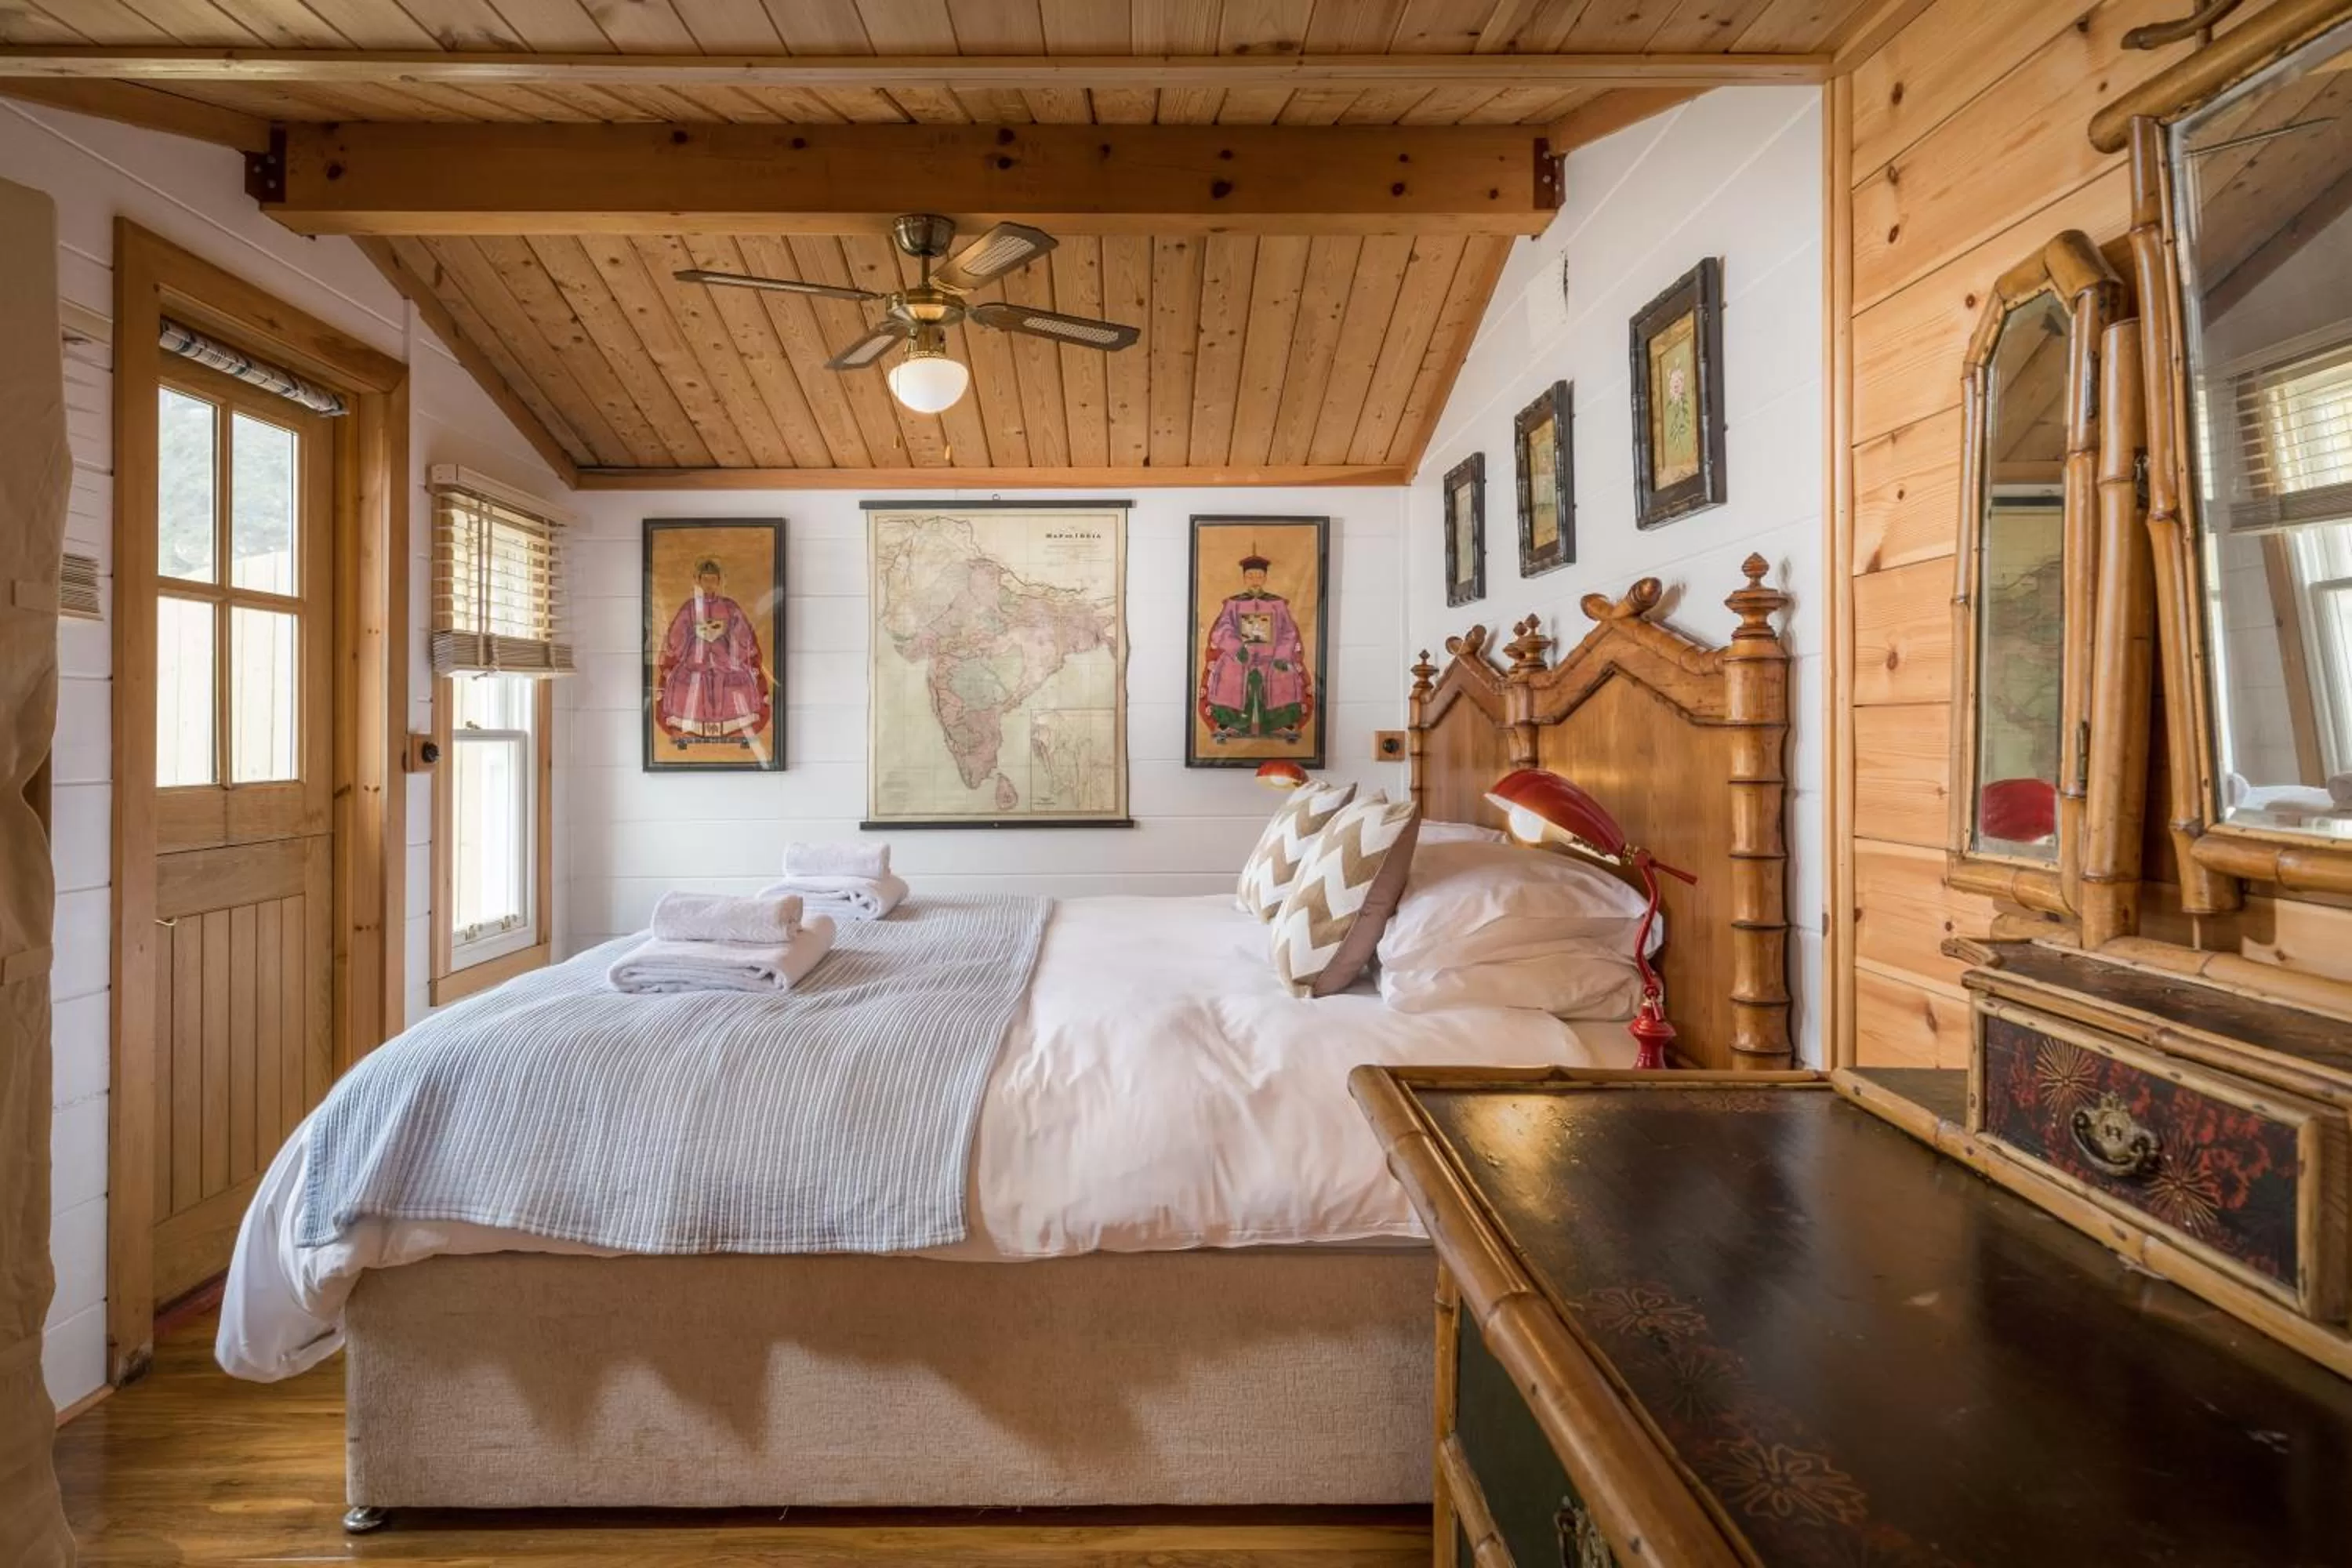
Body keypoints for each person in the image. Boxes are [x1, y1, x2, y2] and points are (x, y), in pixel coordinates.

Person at [655, 557, 770, 749]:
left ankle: (737, 730)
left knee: (738, 678)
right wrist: (690, 637)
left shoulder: (729, 606)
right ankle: (688, 731)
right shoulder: (690, 607)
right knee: (686, 679)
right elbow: (676, 634)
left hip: (725, 656)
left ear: (719, 581)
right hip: (695, 656)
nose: (709, 584)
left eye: (713, 579)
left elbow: (743, 633)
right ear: (698, 581)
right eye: (705, 579)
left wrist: (731, 644)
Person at [1200, 550, 1311, 744]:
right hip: (1240, 656)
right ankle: (1229, 724)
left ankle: (1281, 724)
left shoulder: (1277, 604)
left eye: (1259, 575)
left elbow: (1289, 632)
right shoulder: (1233, 604)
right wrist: (1236, 649)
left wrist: (1281, 655)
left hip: (1272, 656)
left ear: (1265, 577)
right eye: (1250, 576)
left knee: (1283, 675)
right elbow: (1222, 629)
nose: (1255, 580)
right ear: (1244, 578)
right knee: (1229, 672)